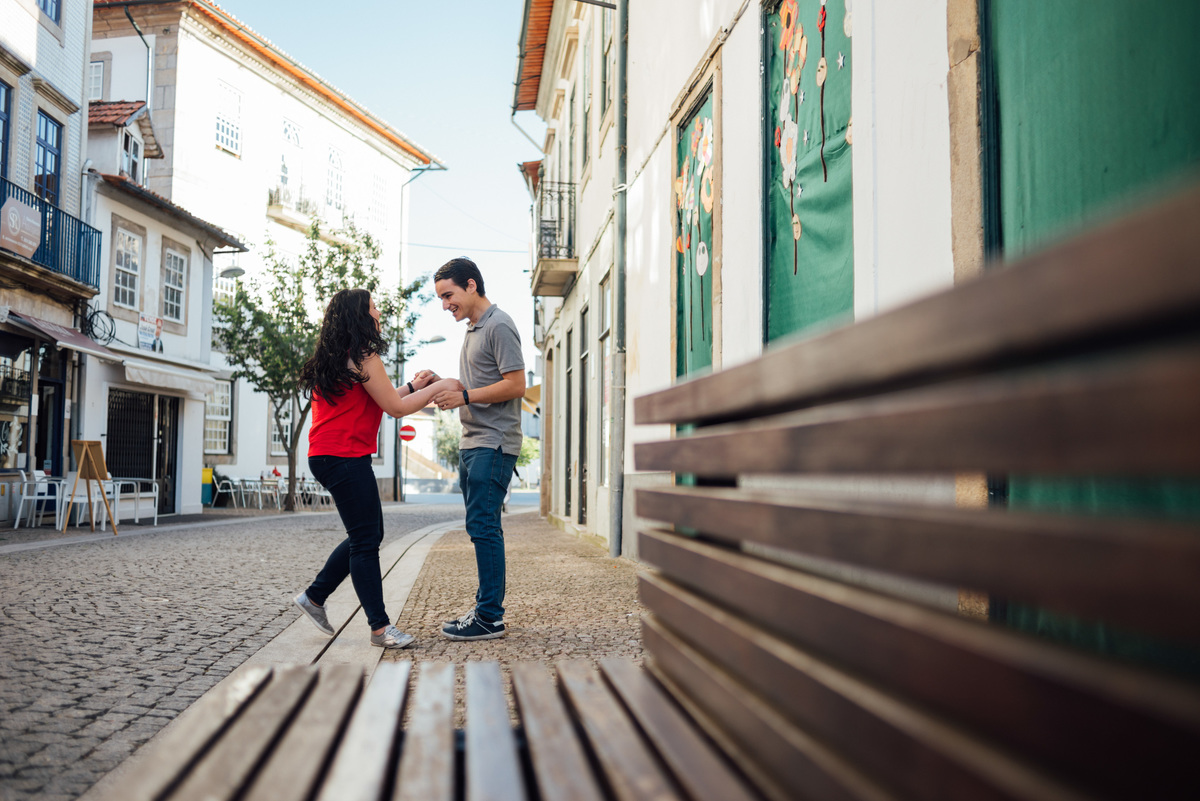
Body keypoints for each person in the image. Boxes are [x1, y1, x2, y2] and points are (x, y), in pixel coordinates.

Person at [293, 288, 461, 649]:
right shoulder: (365, 356)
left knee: (363, 535)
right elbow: (395, 409)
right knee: (366, 541)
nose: (378, 312)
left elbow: (381, 397)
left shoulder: (342, 357)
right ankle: (380, 628)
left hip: (328, 455)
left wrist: (415, 386)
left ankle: (315, 596)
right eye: (372, 307)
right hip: (345, 457)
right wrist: (441, 387)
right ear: (359, 315)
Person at [431, 258, 526, 641]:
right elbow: (475, 380)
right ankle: (486, 610)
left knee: (485, 528)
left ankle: (490, 617)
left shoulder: (499, 324)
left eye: (448, 295)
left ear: (471, 286)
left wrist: (466, 395)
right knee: (480, 528)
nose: (444, 305)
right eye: (440, 298)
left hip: (494, 442)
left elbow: (516, 384)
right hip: (474, 442)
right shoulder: (474, 329)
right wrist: (441, 382)